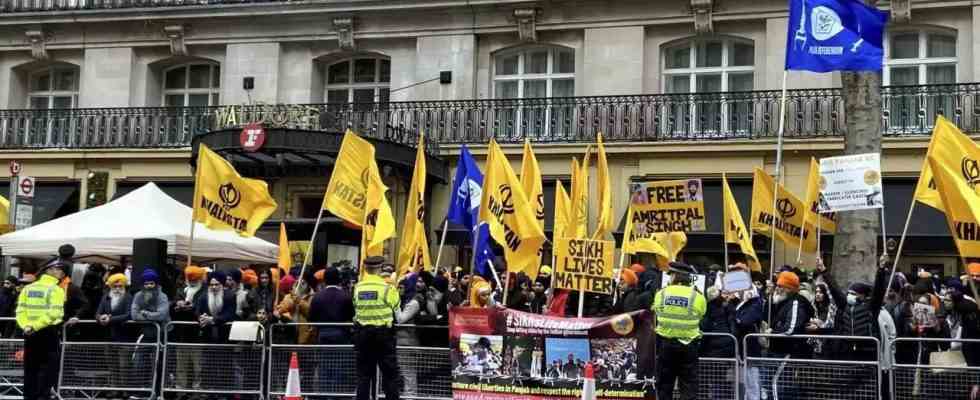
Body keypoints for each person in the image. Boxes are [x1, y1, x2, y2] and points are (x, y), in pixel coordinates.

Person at [652, 262, 706, 400]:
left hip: (666, 345)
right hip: (689, 346)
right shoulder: (697, 296)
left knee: (664, 385)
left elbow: (656, 312)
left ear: (675, 276)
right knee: (688, 386)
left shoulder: (661, 294)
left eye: (670, 275)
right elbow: (701, 314)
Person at [17, 258, 68, 400]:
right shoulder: (56, 289)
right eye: (59, 270)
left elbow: (20, 311)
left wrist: (27, 326)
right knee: (48, 371)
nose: (61, 274)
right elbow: (55, 313)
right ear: (49, 271)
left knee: (30, 370)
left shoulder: (28, 288)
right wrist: (35, 326)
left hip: (29, 333)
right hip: (47, 332)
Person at [352, 256, 401, 400]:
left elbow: (356, 311)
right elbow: (398, 315)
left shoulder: (357, 288)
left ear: (366, 269)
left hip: (362, 335)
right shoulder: (388, 289)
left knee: (363, 376)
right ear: (380, 269)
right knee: (390, 376)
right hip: (384, 336)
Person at [308, 267, 354, 393]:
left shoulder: (317, 297)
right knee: (339, 367)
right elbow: (352, 316)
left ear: (325, 280)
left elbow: (311, 318)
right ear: (338, 279)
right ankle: (336, 394)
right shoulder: (346, 296)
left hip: (323, 335)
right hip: (342, 335)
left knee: (324, 366)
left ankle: (324, 394)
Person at [130, 269, 169, 400]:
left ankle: (158, 393)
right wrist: (152, 316)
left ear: (156, 284)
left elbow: (162, 315)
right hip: (146, 334)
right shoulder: (138, 296)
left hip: (162, 334)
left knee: (158, 364)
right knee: (139, 363)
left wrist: (146, 313)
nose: (148, 286)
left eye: (151, 283)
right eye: (146, 284)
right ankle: (141, 392)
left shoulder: (162, 296)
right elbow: (134, 315)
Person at [96, 273, 132, 396]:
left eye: (120, 286)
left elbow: (129, 315)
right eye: (115, 286)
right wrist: (101, 317)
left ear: (124, 286)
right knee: (112, 366)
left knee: (124, 366)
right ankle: (114, 390)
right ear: (111, 286)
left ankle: (125, 391)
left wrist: (111, 319)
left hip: (124, 337)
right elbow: (97, 313)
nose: (117, 289)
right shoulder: (106, 297)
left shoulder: (128, 297)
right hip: (108, 337)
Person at [171, 265, 206, 392]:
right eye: (189, 279)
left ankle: (197, 390)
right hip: (182, 333)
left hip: (198, 334)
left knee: (198, 366)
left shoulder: (204, 291)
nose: (192, 281)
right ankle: (181, 390)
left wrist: (193, 308)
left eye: (194, 279)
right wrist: (177, 304)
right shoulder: (181, 291)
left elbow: (204, 309)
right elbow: (172, 308)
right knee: (181, 365)